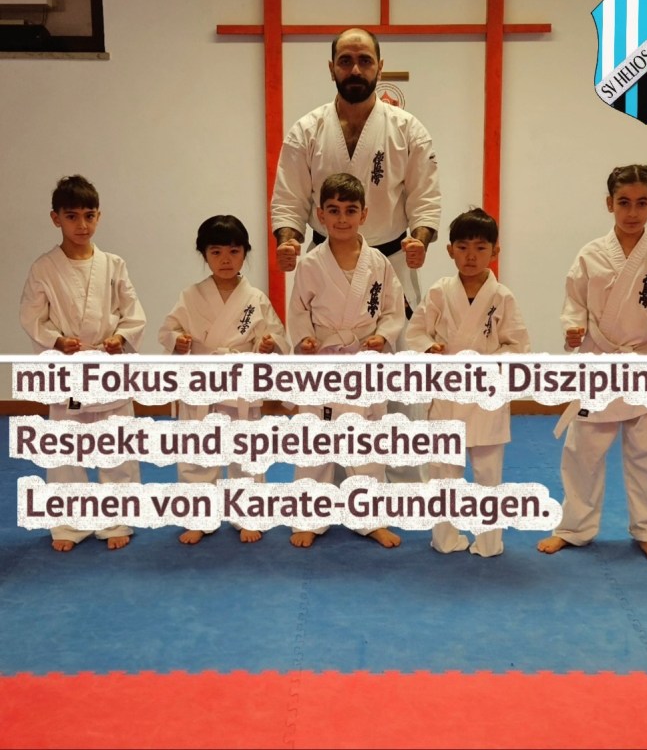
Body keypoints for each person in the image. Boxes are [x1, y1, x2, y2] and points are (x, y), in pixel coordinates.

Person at [538, 165, 647, 565]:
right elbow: (574, 303)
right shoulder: (590, 254)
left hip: (644, 362)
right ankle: (573, 527)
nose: (632, 212)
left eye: (642, 203)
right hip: (600, 361)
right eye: (624, 202)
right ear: (609, 204)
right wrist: (573, 329)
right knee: (583, 452)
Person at [271, 27, 440, 309]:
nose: (355, 70)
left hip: (390, 261)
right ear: (332, 68)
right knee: (322, 334)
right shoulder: (306, 131)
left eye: (365, 60)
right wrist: (287, 242)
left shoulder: (408, 130)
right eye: (345, 61)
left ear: (380, 67)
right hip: (325, 262)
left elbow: (425, 199)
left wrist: (420, 242)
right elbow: (289, 200)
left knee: (393, 335)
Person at [19, 174, 146, 552]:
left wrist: (120, 338)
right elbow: (31, 317)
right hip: (68, 365)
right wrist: (55, 341)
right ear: (55, 218)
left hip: (107, 363)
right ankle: (70, 523)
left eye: (89, 216)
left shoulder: (113, 264)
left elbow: (133, 313)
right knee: (64, 450)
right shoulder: (44, 268)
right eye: (72, 216)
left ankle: (117, 519)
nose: (82, 225)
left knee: (115, 445)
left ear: (98, 216)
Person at [287, 173, 406, 549]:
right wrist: (304, 339)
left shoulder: (379, 263)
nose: (342, 218)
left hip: (364, 359)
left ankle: (370, 519)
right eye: (334, 210)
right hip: (323, 360)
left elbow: (393, 310)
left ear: (364, 214)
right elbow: (298, 311)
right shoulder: (310, 264)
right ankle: (308, 518)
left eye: (350, 210)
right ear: (320, 215)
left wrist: (384, 335)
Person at [406, 208, 530, 556]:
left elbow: (518, 346)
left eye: (480, 247)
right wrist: (428, 347)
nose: (471, 256)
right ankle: (445, 538)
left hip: (485, 393)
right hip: (447, 391)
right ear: (450, 251)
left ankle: (489, 542)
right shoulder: (439, 292)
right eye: (462, 247)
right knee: (443, 471)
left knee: (488, 473)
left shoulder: (502, 297)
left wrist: (488, 364)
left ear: (495, 251)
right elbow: (416, 332)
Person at [158, 215, 289, 545]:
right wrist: (178, 341)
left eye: (233, 251)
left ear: (245, 252)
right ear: (204, 254)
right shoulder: (191, 296)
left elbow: (275, 336)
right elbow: (168, 330)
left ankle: (248, 514)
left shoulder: (255, 298)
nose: (225, 260)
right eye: (216, 252)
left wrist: (267, 345)